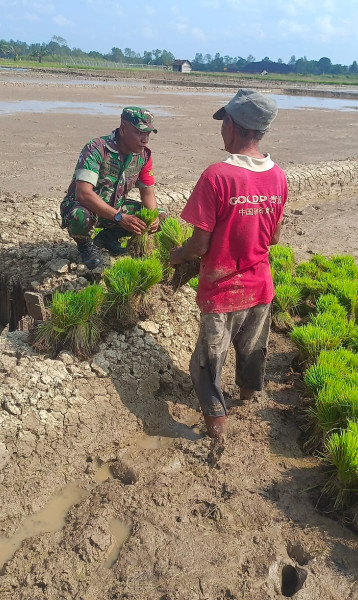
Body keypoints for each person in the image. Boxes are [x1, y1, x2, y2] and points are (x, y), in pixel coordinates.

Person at [170, 89, 287, 461]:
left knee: (207, 362)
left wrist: (177, 256)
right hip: (261, 285)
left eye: (224, 122)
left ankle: (217, 430)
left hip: (223, 290)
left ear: (233, 126)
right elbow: (274, 238)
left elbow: (200, 245)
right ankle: (249, 399)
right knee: (252, 350)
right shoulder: (279, 176)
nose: (222, 129)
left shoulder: (217, 176)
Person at [60, 107, 161, 269]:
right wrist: (120, 218)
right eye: (140, 133)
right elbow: (83, 193)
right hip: (88, 208)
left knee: (161, 216)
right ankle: (85, 245)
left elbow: (147, 193)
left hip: (116, 209)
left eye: (148, 134)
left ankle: (108, 237)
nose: (145, 139)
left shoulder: (143, 156)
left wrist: (153, 218)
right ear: (123, 129)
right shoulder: (97, 149)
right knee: (80, 216)